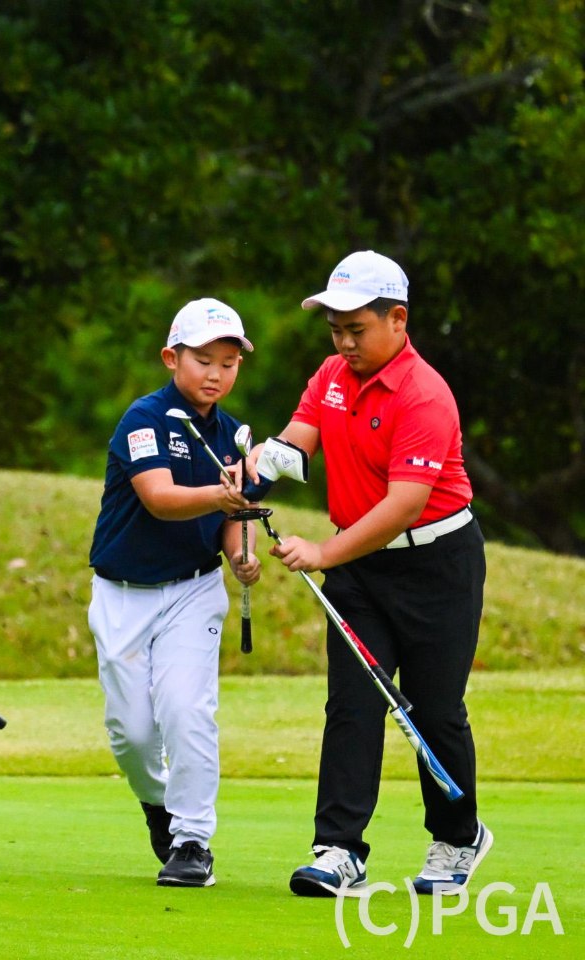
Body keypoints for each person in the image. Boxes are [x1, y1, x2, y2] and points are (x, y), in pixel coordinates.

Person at [247, 250, 491, 897]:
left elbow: (404, 505)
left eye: (356, 329)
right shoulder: (331, 375)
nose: (344, 343)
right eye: (336, 329)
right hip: (361, 568)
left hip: (437, 563)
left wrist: (325, 553)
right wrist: (253, 470)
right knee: (353, 705)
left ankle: (457, 837)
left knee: (434, 710)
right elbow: (295, 444)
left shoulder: (424, 394)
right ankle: (339, 849)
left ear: (398, 320)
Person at [87, 298, 260, 888]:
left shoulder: (234, 435)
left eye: (228, 364)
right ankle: (158, 805)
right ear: (171, 358)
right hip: (122, 593)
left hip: (193, 590)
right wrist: (223, 497)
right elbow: (159, 499)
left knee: (187, 710)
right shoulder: (144, 419)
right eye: (203, 360)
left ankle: (192, 841)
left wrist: (239, 554)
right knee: (132, 733)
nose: (216, 374)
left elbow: (234, 518)